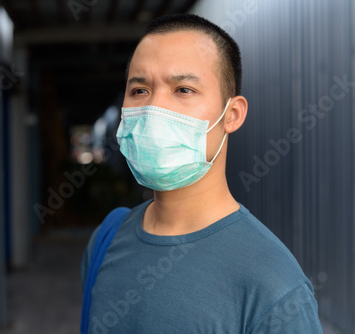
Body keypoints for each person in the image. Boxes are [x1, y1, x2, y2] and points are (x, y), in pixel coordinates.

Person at [81, 14, 323, 333]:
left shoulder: (275, 287)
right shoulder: (106, 240)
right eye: (139, 90)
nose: (155, 109)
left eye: (183, 89)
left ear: (232, 115)